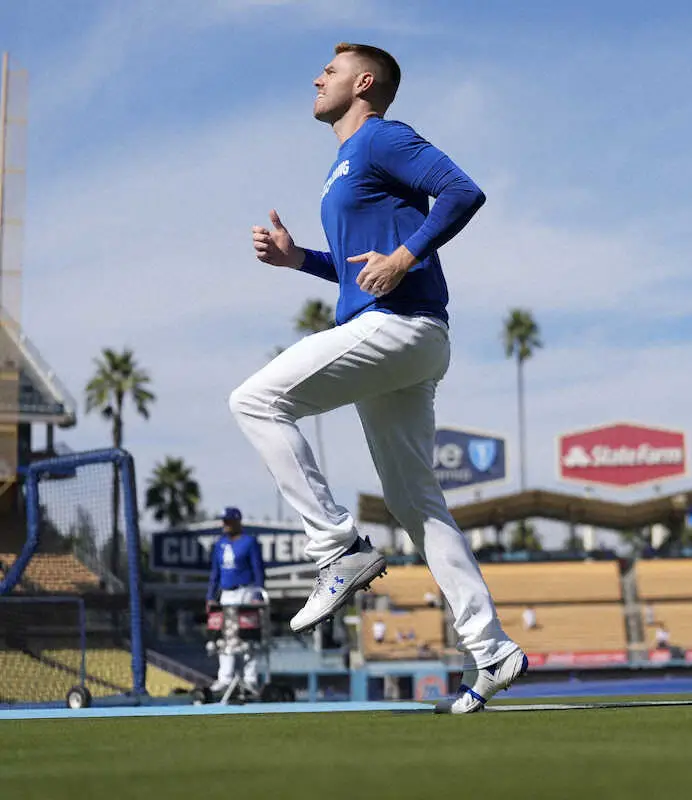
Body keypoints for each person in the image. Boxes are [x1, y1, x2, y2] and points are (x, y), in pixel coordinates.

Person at [234, 42, 525, 714]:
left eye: (330, 72)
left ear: (365, 84)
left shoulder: (380, 139)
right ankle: (494, 650)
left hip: (401, 327)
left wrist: (406, 254)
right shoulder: (342, 166)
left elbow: (462, 191)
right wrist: (298, 258)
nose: (316, 77)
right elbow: (359, 271)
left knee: (255, 400)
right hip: (400, 336)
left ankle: (336, 546)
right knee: (414, 499)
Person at [205, 507, 265, 694]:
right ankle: (225, 677)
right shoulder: (220, 545)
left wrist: (257, 593)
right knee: (225, 638)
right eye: (224, 521)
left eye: (229, 521)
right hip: (226, 594)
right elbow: (215, 572)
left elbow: (258, 570)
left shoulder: (249, 542)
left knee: (248, 636)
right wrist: (210, 596)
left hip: (245, 592)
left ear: (237, 522)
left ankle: (250, 678)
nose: (225, 525)